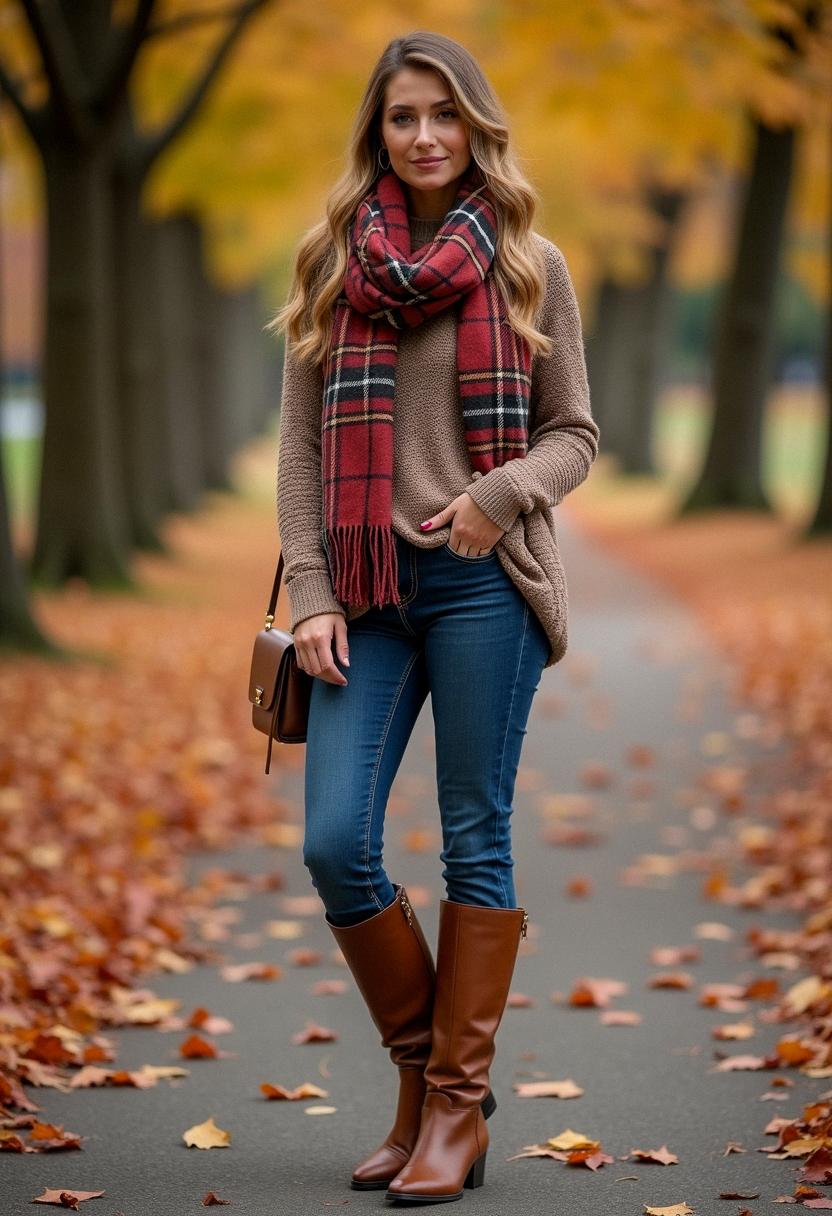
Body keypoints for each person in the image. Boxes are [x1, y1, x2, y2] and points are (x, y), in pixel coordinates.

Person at [270, 29, 599, 1205]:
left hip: (479, 585)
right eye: (404, 115)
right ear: (377, 128)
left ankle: (453, 1108)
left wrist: (495, 498)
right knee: (334, 842)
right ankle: (427, 1077)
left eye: (444, 114)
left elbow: (574, 434)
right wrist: (310, 592)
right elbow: (299, 452)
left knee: (473, 833)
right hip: (362, 597)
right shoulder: (330, 262)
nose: (424, 135)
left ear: (475, 126)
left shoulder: (528, 263)